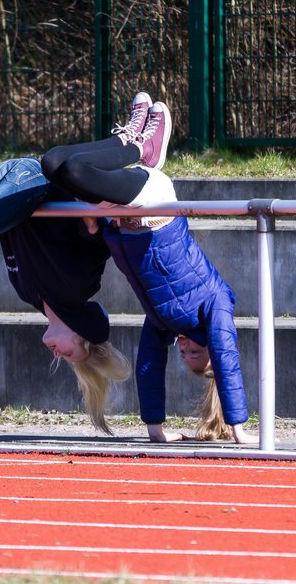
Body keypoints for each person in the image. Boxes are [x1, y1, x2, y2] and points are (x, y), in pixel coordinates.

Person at [41, 99, 257, 445]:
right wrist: (239, 429)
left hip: (120, 220)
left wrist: (156, 431)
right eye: (196, 352)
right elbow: (227, 360)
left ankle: (135, 140)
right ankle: (143, 148)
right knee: (76, 171)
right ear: (211, 348)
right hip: (153, 206)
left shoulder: (163, 323)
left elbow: (149, 367)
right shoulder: (216, 306)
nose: (185, 348)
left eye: (184, 355)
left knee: (53, 164)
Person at [0, 90, 131, 433]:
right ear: (82, 334)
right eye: (67, 354)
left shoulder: (28, 294)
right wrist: (93, 228)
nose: (55, 354)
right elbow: (98, 248)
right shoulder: (78, 288)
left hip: (16, 195)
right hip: (36, 184)